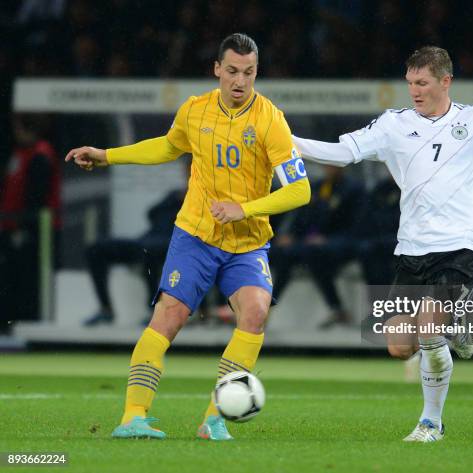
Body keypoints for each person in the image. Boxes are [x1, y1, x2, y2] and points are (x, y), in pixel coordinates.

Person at [293, 47, 473, 442]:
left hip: (461, 245)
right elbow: (344, 153)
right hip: (411, 249)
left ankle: (431, 422)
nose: (414, 91)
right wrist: (288, 140)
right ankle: (453, 327)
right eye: (410, 82)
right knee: (399, 346)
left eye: (423, 82)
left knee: (429, 329)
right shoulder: (392, 125)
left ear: (445, 81)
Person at [65, 33, 311, 441]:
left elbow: (299, 190)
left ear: (256, 73)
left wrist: (244, 209)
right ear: (217, 69)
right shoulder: (195, 111)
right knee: (170, 315)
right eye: (231, 71)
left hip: (247, 240)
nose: (239, 81)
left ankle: (214, 418)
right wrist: (108, 155)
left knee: (255, 311)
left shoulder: (271, 120)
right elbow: (166, 148)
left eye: (248, 73)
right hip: (197, 234)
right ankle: (133, 416)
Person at [271, 165, 363, 328]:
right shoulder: (317, 187)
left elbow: (355, 226)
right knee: (283, 253)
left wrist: (326, 239)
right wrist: (291, 235)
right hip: (311, 242)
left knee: (314, 255)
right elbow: (302, 217)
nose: (329, 168)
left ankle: (337, 309)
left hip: (342, 242)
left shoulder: (353, 190)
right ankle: (268, 304)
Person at [82, 189, 183, 327]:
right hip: (147, 239)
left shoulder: (205, 199)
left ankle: (155, 311)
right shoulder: (176, 195)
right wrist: (177, 198)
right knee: (95, 250)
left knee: (150, 251)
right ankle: (106, 309)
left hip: (174, 244)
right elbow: (152, 213)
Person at [0, 114, 61, 332]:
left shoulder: (40, 155)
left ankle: (26, 324)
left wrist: (23, 228)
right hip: (13, 226)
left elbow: (36, 197)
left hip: (33, 230)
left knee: (27, 280)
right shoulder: (21, 153)